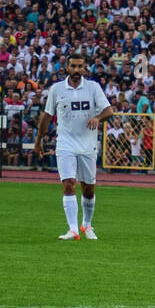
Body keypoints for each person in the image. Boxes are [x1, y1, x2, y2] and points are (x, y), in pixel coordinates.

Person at [34, 53, 115, 240]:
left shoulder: (93, 88)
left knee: (89, 188)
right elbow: (47, 116)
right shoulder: (57, 89)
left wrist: (97, 118)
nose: (77, 70)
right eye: (73, 66)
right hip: (65, 144)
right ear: (67, 68)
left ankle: (86, 225)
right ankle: (73, 229)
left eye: (80, 66)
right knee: (69, 183)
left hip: (87, 145)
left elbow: (109, 110)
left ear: (85, 68)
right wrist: (38, 141)